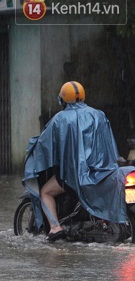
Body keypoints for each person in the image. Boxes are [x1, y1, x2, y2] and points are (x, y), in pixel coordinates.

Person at [22, 81, 128, 242]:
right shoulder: (99, 114)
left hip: (75, 176)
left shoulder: (60, 119)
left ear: (63, 99)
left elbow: (44, 143)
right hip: (103, 172)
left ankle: (55, 227)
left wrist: (32, 149)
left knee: (45, 191)